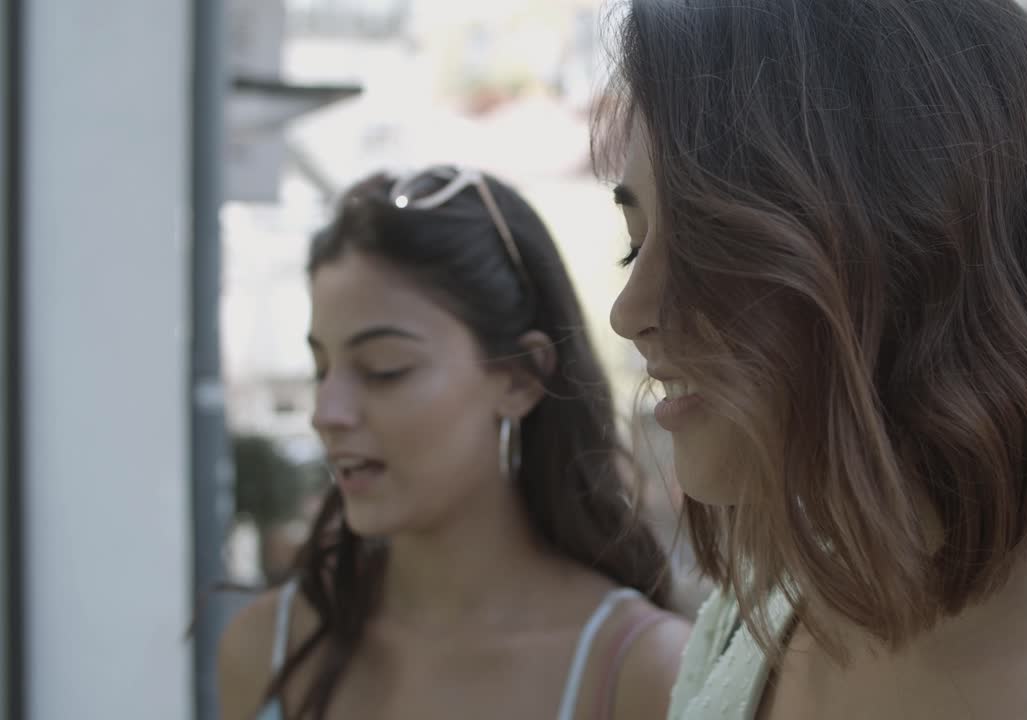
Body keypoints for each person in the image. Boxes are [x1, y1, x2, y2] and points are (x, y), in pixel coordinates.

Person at [595, 1, 1027, 718]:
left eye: (709, 241)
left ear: (915, 247)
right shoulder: (757, 613)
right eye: (634, 245)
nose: (628, 312)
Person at [218, 166, 690, 720]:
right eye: (322, 369)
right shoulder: (269, 650)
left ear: (520, 379)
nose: (327, 414)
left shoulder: (643, 672)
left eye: (383, 369)